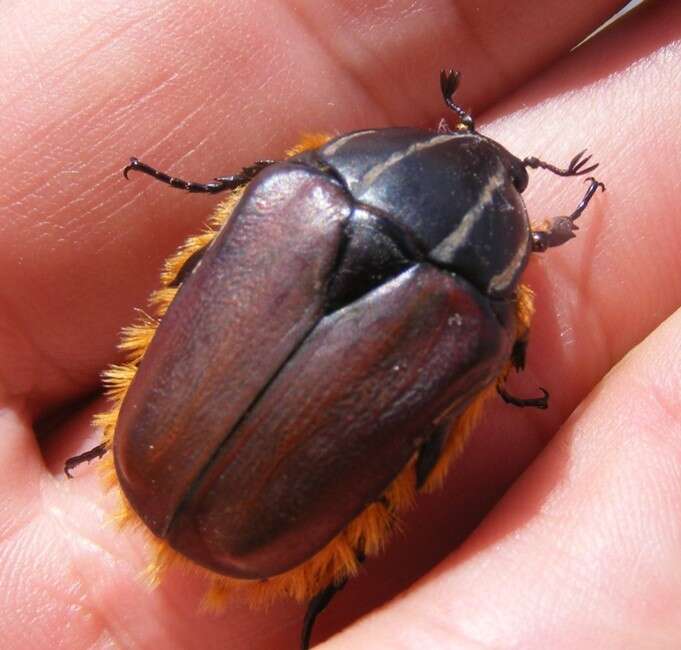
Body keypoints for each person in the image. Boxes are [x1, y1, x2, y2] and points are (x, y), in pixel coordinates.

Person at [1, 1, 679, 648]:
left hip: (164, 451)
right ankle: (328, 583)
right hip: (235, 508)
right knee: (432, 434)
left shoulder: (303, 186)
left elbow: (207, 256)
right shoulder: (473, 313)